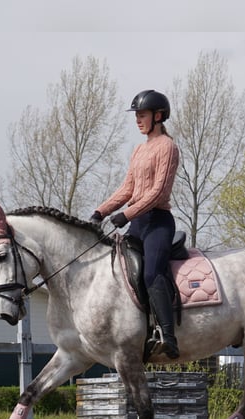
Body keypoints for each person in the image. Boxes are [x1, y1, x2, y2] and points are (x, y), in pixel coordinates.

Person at [91, 89, 181, 358]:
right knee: (121, 273)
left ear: (158, 116)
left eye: (142, 115)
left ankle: (168, 336)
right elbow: (127, 188)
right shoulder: (139, 150)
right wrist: (101, 211)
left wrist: (125, 215)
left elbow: (158, 193)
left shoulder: (167, 147)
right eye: (137, 116)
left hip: (158, 222)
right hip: (138, 223)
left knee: (151, 273)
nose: (138, 120)